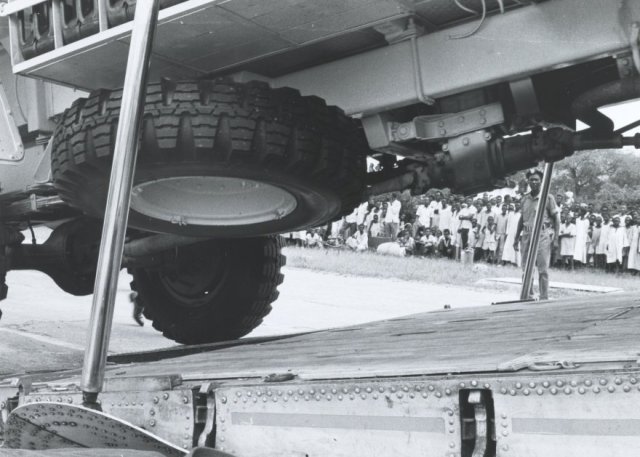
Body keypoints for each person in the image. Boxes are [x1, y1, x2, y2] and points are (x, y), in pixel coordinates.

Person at [514, 169, 560, 300]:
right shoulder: (524, 198)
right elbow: (522, 219)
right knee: (526, 268)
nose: (534, 182)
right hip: (527, 234)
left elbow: (556, 219)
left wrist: (556, 239)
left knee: (542, 268)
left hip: (542, 234)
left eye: (536, 180)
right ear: (528, 182)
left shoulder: (548, 198)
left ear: (541, 182)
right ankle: (527, 295)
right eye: (531, 180)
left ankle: (544, 296)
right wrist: (516, 237)